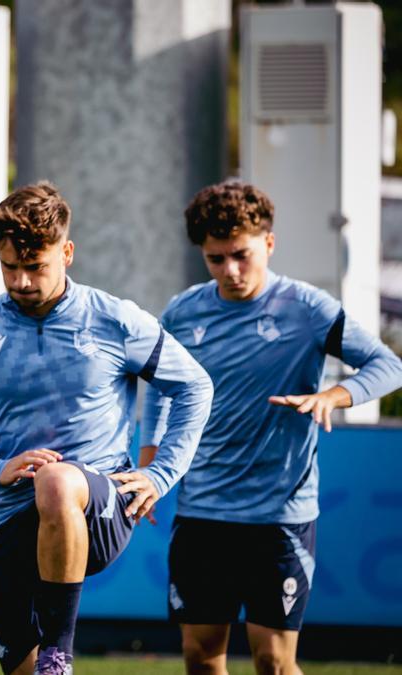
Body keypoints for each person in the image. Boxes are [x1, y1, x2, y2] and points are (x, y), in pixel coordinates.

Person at [0, 182, 213, 675]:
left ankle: (60, 651)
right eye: (11, 267)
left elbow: (195, 387)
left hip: (100, 504)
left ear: (67, 253)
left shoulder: (115, 320)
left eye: (36, 267)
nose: (23, 281)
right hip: (11, 513)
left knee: (56, 481)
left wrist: (160, 475)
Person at [140, 181, 402, 675]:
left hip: (280, 515)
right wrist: (151, 445)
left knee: (274, 663)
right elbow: (157, 384)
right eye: (216, 259)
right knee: (200, 657)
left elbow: (388, 365)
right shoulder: (183, 312)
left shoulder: (307, 309)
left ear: (269, 243)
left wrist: (333, 395)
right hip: (203, 513)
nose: (231, 271)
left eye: (241, 255)